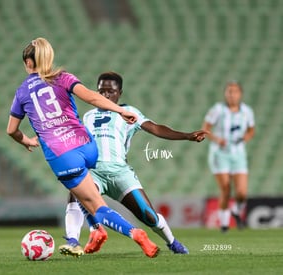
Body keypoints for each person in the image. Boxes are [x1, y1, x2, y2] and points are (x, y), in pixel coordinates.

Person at [6, 38, 159, 258]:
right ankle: (89, 233)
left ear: (28, 63)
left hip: (63, 156)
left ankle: (134, 233)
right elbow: (92, 97)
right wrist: (119, 110)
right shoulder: (63, 77)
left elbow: (11, 130)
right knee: (82, 191)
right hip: (87, 146)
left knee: (96, 205)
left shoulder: (21, 92)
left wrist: (27, 141)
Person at [59, 71, 207, 257]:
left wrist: (186, 136)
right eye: (101, 91)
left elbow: (155, 128)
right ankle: (73, 240)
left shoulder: (129, 112)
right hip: (94, 172)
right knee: (76, 193)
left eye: (110, 91)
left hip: (120, 173)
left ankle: (172, 242)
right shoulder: (88, 116)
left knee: (149, 216)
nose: (105, 95)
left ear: (120, 92)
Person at [202, 81, 255, 232]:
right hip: (220, 154)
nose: (232, 94)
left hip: (238, 154)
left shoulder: (247, 111)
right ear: (226, 94)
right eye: (229, 91)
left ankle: (236, 211)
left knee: (242, 193)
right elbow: (205, 129)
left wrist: (246, 138)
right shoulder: (217, 110)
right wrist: (218, 139)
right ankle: (224, 225)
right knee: (226, 189)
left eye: (235, 91)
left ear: (240, 94)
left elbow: (251, 130)